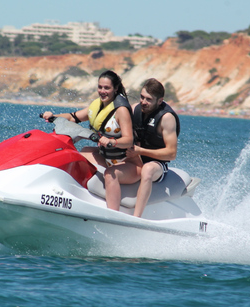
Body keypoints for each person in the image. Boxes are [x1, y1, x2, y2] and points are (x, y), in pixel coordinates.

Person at [42, 70, 141, 210]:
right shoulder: (97, 105)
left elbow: (129, 140)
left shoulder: (121, 110)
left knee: (110, 174)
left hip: (128, 163)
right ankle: (73, 195)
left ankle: (112, 214)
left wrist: (112, 141)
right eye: (100, 87)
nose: (102, 91)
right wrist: (53, 116)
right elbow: (72, 117)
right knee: (76, 156)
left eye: (107, 88)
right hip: (107, 158)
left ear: (115, 89)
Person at [106, 78, 180, 217]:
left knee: (148, 170)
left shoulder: (167, 118)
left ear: (159, 101)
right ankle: (112, 215)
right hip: (135, 161)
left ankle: (136, 217)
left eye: (148, 99)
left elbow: (171, 154)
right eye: (142, 97)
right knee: (110, 172)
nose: (143, 102)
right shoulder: (135, 109)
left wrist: (141, 151)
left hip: (157, 165)